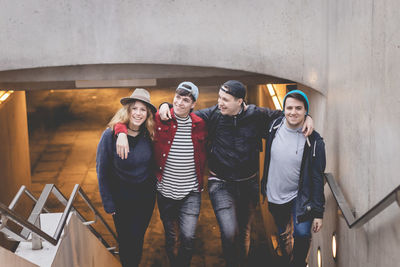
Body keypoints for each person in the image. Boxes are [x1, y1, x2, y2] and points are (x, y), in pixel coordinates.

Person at [158, 80, 314, 267]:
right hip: (220, 184)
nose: (220, 103)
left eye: (225, 99)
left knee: (244, 233)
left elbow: (287, 116)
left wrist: (308, 117)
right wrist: (164, 106)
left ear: (240, 101)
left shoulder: (257, 115)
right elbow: (184, 114)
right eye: (219, 98)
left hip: (249, 184)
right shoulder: (213, 114)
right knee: (229, 231)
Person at [114, 82, 207, 267]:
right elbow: (128, 121)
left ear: (193, 104)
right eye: (177, 98)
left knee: (188, 237)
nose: (180, 103)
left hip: (191, 192)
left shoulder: (200, 123)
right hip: (166, 193)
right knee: (172, 239)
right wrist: (121, 132)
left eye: (186, 100)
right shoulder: (160, 118)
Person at [260, 90, 326, 267]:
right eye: (289, 108)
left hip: (300, 195)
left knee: (303, 234)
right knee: (284, 235)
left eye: (299, 108)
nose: (293, 112)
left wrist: (318, 213)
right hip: (276, 192)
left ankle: (298, 263)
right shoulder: (273, 127)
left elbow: (318, 178)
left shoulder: (315, 140)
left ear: (306, 111)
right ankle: (288, 259)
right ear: (283, 110)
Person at [96, 88, 157, 267]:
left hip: (144, 198)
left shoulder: (150, 135)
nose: (138, 113)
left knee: (137, 238)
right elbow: (102, 170)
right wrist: (108, 202)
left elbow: (171, 111)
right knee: (125, 240)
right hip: (121, 199)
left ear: (148, 114)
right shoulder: (110, 136)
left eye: (143, 110)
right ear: (128, 110)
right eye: (134, 109)